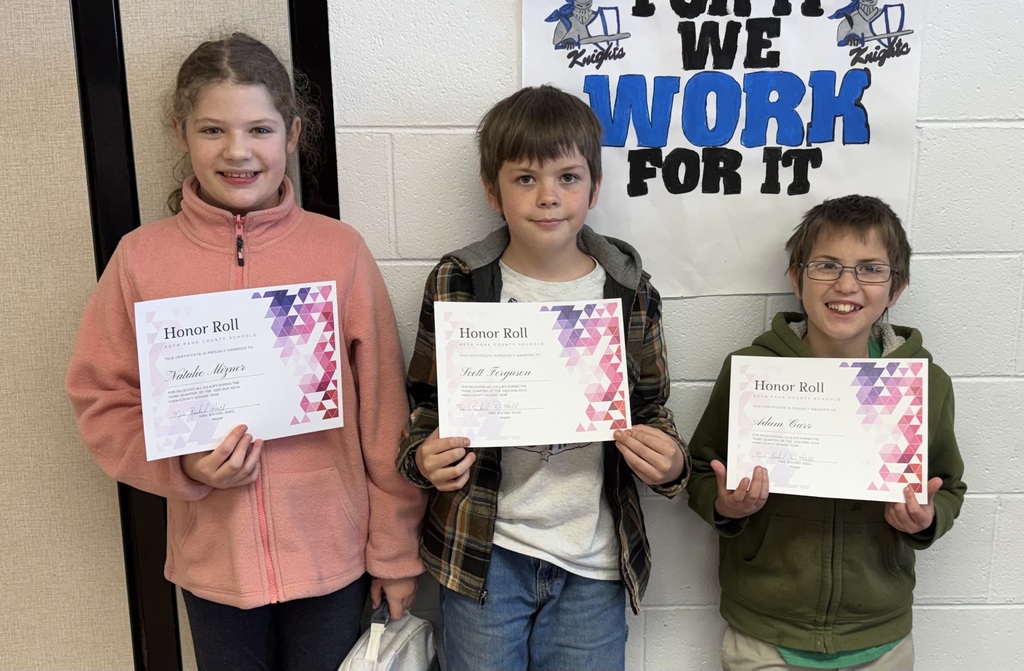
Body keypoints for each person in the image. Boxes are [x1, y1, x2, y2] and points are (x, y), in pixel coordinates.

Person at [66, 33, 426, 671]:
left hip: (331, 556)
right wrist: (184, 467)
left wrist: (394, 553)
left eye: (260, 129)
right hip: (215, 565)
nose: (237, 151)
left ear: (293, 133)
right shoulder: (141, 259)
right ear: (180, 133)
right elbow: (102, 400)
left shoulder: (339, 252)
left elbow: (383, 418)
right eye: (212, 130)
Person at [396, 84, 689, 671]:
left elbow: (651, 409)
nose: (548, 196)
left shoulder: (628, 289)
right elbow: (425, 405)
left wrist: (672, 465)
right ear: (493, 191)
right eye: (525, 178)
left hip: (592, 561)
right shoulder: (460, 281)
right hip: (483, 555)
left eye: (568, 177)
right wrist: (421, 459)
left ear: (595, 188)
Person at [686, 195, 966, 670]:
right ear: (796, 278)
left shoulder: (923, 385)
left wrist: (926, 518)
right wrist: (725, 505)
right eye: (827, 265)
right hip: (764, 633)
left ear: (896, 288)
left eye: (870, 269)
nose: (846, 284)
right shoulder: (751, 373)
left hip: (879, 637)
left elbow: (949, 487)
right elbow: (699, 470)